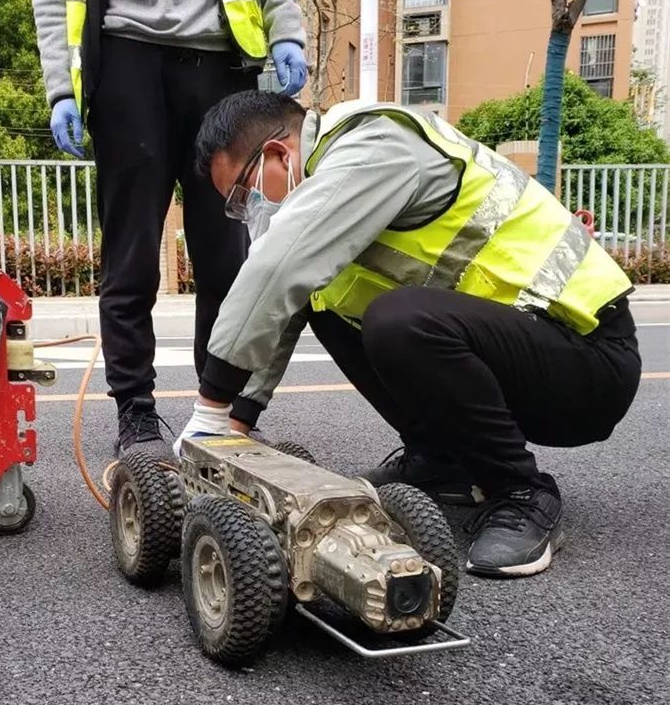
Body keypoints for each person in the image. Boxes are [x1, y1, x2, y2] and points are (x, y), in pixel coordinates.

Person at [173, 91, 641, 579]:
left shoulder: (375, 144)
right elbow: (283, 298)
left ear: (278, 154)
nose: (248, 211)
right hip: (515, 353)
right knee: (323, 300)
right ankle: (441, 460)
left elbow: (278, 264)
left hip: (588, 357)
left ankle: (522, 492)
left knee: (398, 320)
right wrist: (233, 426)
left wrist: (209, 408)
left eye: (243, 194)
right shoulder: (331, 188)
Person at [29, 0, 306, 456]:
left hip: (220, 58)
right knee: (130, 259)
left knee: (226, 259)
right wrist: (60, 86)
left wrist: (287, 29)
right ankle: (135, 412)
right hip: (122, 60)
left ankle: (222, 411)